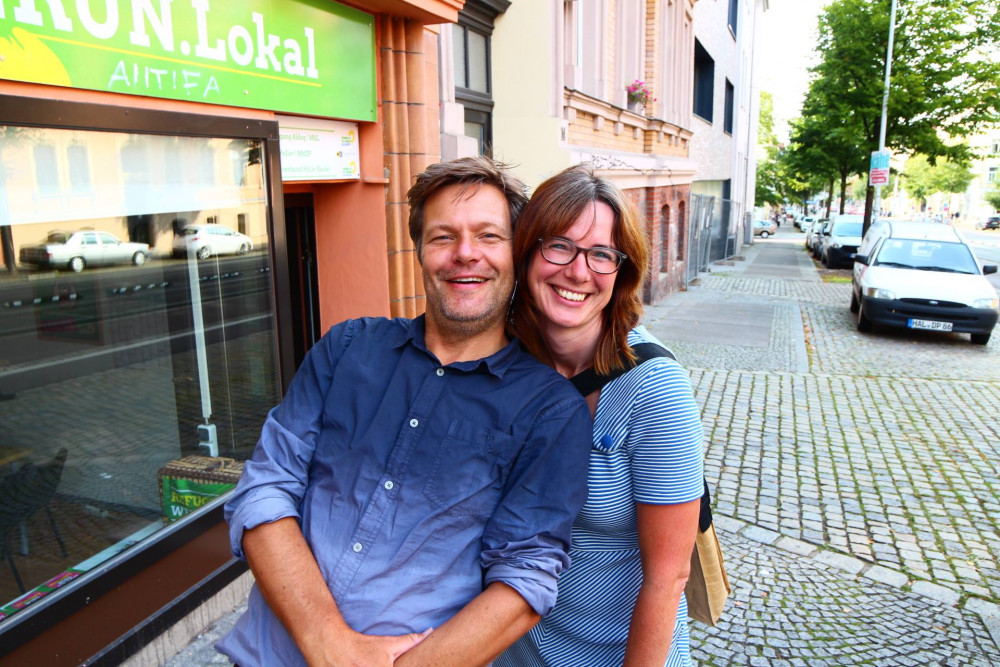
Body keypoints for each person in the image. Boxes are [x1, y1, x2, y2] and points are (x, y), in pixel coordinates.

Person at [216, 157, 593, 667]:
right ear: (418, 251)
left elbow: (525, 576)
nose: (465, 253)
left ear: (517, 254)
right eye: (443, 237)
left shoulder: (548, 410)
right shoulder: (346, 349)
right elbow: (264, 489)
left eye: (488, 236)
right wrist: (328, 643)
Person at [495, 165, 705, 667]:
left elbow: (668, 576)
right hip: (510, 650)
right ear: (526, 253)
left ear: (621, 271)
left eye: (601, 254)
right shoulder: (502, 361)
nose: (577, 271)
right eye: (559, 246)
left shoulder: (653, 389)